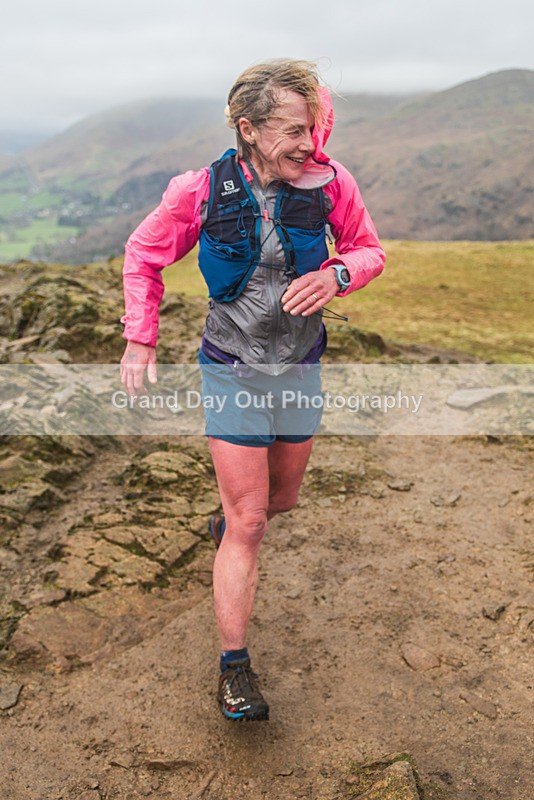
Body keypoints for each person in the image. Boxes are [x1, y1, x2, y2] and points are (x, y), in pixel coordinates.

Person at [120, 59, 385, 721]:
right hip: (231, 365)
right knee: (252, 522)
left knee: (281, 500)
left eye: (314, 127)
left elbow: (368, 248)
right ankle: (234, 670)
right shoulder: (200, 190)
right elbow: (143, 254)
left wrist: (340, 275)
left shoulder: (331, 183)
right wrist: (140, 335)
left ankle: (228, 519)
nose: (309, 143)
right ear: (249, 128)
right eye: (295, 130)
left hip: (300, 365)